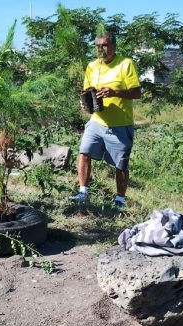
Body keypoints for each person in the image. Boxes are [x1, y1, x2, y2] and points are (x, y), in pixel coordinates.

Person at [69, 31, 141, 209]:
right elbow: (87, 90)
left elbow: (137, 93)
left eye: (105, 45)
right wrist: (84, 102)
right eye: (98, 45)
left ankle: (120, 200)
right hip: (97, 121)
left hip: (120, 124)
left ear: (114, 46)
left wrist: (114, 92)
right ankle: (83, 191)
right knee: (84, 153)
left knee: (121, 164)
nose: (101, 48)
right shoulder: (92, 66)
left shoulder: (126, 64)